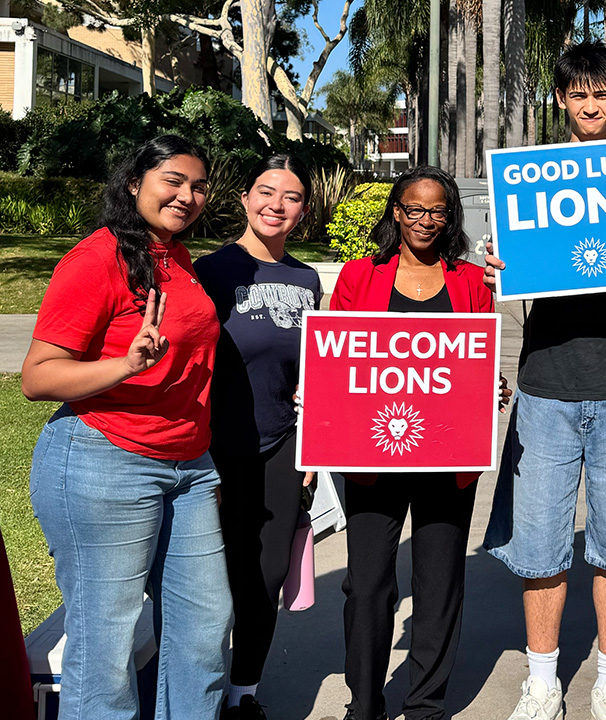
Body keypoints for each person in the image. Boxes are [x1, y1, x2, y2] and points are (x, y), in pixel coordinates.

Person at [482, 41, 606, 720]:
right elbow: (511, 274)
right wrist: (499, 263)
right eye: (577, 94)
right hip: (544, 386)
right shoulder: (529, 184)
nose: (589, 105)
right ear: (561, 100)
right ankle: (542, 683)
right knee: (539, 544)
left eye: (602, 93)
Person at [22, 135, 232, 719]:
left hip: (187, 468)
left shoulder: (177, 256)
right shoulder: (96, 259)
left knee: (204, 632)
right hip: (105, 459)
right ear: (135, 183)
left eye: (197, 186)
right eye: (173, 181)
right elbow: (37, 377)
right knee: (106, 648)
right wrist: (125, 364)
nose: (187, 196)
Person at [330, 165, 507, 720]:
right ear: (396, 213)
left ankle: (426, 705)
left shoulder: (473, 283)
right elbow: (335, 357)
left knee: (439, 587)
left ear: (449, 217)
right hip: (370, 457)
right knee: (366, 586)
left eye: (437, 211)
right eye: (414, 209)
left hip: (447, 459)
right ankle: (364, 703)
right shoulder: (359, 279)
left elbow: (477, 358)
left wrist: (490, 386)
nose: (425, 220)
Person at [193, 155, 322, 720]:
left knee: (266, 575)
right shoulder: (211, 271)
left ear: (303, 210)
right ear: (244, 198)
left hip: (281, 446)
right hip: (214, 447)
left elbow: (316, 370)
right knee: (206, 579)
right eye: (266, 192)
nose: (277, 205)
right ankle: (192, 689)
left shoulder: (306, 279)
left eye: (291, 196)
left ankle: (244, 692)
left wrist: (315, 438)